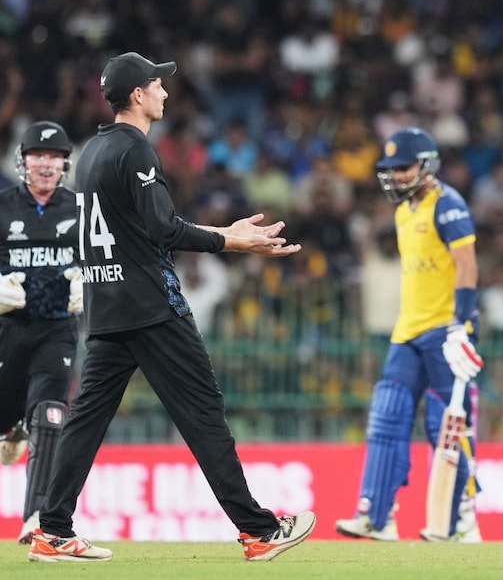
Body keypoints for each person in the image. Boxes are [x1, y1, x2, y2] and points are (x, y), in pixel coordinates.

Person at [27, 52, 314, 563]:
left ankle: (52, 527)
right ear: (137, 95)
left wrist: (227, 232)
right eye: (157, 85)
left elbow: (129, 231)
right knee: (204, 413)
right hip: (152, 307)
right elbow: (162, 229)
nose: (164, 92)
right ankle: (257, 530)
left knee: (87, 419)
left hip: (108, 305)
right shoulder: (136, 151)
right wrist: (231, 243)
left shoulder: (92, 152)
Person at [334, 127, 484, 543]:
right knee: (387, 416)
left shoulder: (448, 205)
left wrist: (460, 325)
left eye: (404, 167)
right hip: (407, 332)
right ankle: (377, 517)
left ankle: (461, 519)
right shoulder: (402, 212)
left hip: (445, 332)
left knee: (448, 426)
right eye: (392, 169)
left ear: (427, 164)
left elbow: (467, 268)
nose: (397, 176)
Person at [0, 120, 83, 545]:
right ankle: (6, 430)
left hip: (58, 329)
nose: (47, 165)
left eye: (55, 157)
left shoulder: (80, 208)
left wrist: (88, 282)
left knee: (50, 415)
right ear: (23, 161)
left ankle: (37, 518)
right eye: (39, 156)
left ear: (65, 164)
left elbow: (103, 255)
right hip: (9, 329)